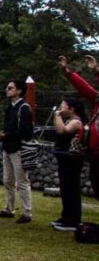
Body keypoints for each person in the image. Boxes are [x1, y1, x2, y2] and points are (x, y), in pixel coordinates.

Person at [59, 54, 99, 206]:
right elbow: (85, 88)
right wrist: (68, 73)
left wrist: (97, 71)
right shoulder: (97, 100)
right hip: (95, 152)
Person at [0, 78, 33, 224]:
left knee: (22, 181)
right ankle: (9, 208)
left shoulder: (24, 108)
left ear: (19, 91)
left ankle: (26, 212)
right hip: (8, 147)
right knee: (7, 180)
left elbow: (24, 130)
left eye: (10, 88)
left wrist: (6, 135)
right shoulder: (11, 107)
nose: (7, 90)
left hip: (18, 149)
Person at [50, 95, 84, 232]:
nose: (61, 107)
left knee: (71, 188)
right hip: (64, 158)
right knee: (65, 188)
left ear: (72, 108)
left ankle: (73, 219)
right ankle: (66, 216)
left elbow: (62, 131)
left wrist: (57, 115)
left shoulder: (76, 121)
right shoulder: (69, 119)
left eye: (63, 105)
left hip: (72, 160)